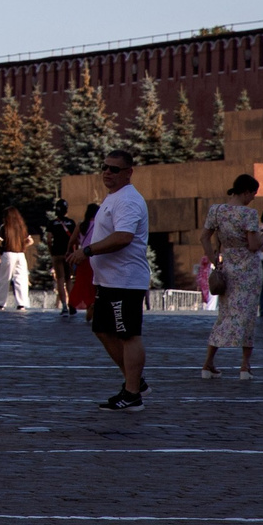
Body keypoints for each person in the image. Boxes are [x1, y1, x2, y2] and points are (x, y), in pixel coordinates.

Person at [83, 152, 153, 409]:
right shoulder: (114, 197)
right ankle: (135, 381)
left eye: (114, 169)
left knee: (128, 335)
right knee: (102, 329)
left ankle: (132, 394)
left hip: (125, 280)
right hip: (108, 280)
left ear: (128, 172)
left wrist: (88, 251)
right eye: (104, 167)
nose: (107, 172)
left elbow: (124, 237)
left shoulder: (128, 200)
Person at [200, 175, 263, 380]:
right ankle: (245, 366)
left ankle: (208, 363)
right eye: (253, 193)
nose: (253, 198)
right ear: (246, 192)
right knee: (248, 316)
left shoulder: (217, 210)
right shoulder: (249, 214)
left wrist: (214, 260)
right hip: (249, 271)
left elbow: (204, 237)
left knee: (225, 314)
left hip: (227, 268)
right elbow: (254, 245)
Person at [0, 207, 34, 311]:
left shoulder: (4, 227)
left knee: (5, 278)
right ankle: (22, 303)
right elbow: (30, 241)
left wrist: (2, 246)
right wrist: (22, 246)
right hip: (20, 254)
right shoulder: (21, 227)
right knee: (21, 279)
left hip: (8, 254)